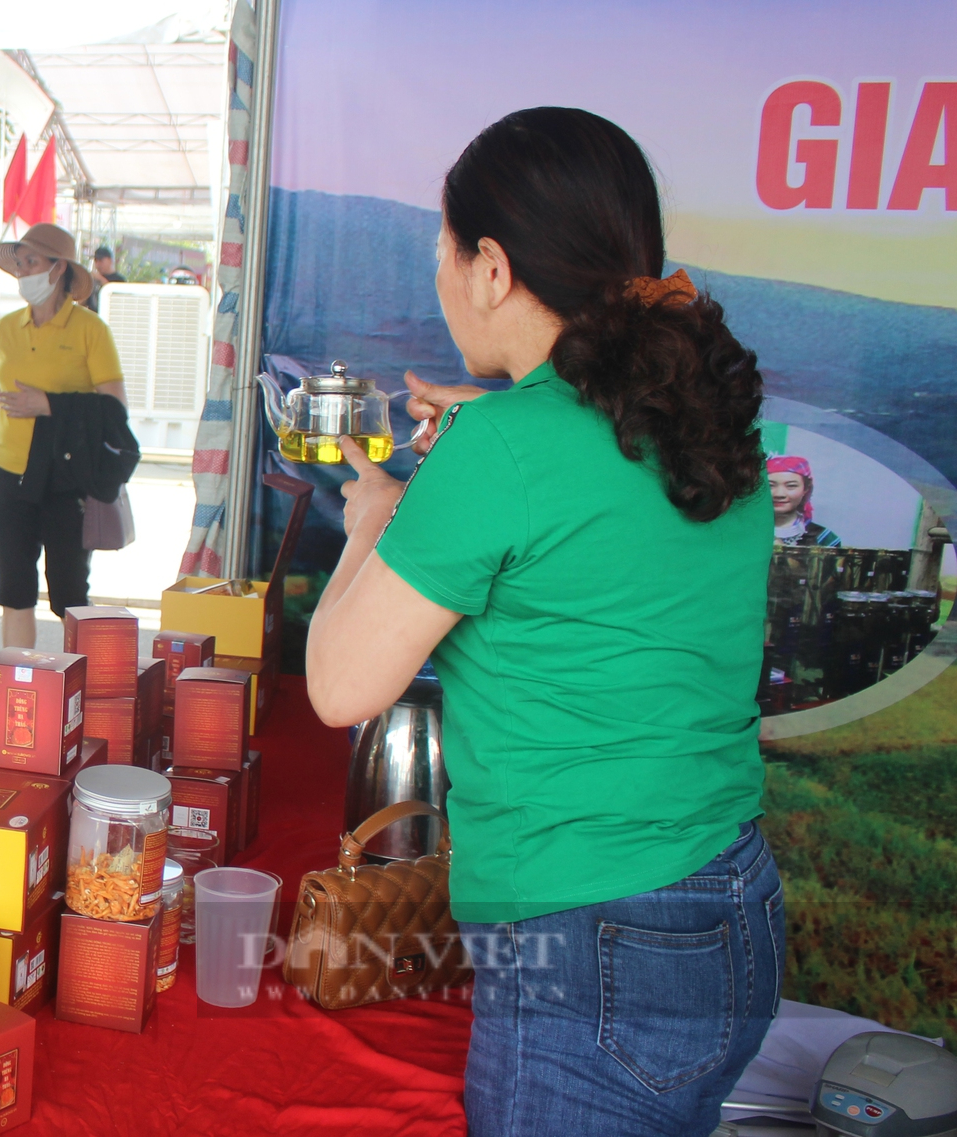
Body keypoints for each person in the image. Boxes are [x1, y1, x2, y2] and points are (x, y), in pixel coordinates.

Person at [305, 108, 782, 1136]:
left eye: (440, 247)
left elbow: (341, 687)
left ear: (490, 267)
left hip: (589, 936)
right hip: (732, 904)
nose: (436, 275)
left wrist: (374, 525)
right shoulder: (701, 414)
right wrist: (478, 450)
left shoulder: (502, 449)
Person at [0, 223, 127, 648]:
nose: (24, 271)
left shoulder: (90, 330)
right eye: (20, 263)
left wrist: (49, 404)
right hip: (10, 474)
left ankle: (78, 693)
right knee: (15, 592)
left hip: (67, 478)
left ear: (59, 268)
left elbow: (116, 412)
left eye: (33, 262)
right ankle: (18, 692)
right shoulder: (5, 330)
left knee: (69, 596)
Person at [767, 456, 842, 546]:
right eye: (770, 485)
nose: (779, 494)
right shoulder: (747, 531)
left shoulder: (824, 538)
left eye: (791, 486)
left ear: (806, 489)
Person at [87, 245, 125, 312]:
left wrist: (100, 279)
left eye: (101, 260)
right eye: (96, 261)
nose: (98, 264)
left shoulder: (120, 280)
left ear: (110, 260)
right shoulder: (93, 279)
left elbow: (117, 300)